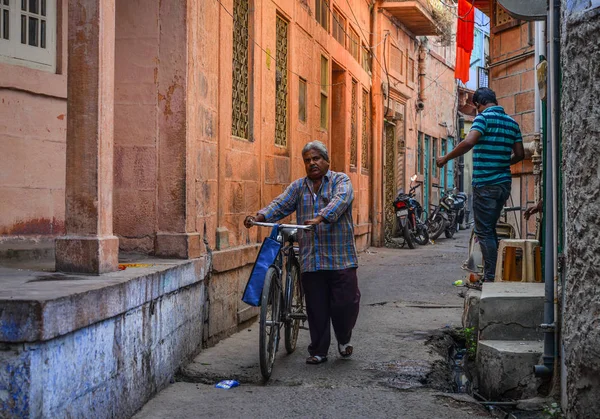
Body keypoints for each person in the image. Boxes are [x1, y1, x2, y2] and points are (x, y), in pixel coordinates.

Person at [244, 140, 361, 365]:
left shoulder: (340, 180)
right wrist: (258, 217)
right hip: (311, 259)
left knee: (345, 304)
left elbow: (341, 200)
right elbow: (280, 204)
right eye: (307, 160)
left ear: (327, 161)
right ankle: (318, 350)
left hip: (341, 258)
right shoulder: (299, 187)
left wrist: (321, 216)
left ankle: (344, 338)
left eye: (316, 158)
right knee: (316, 307)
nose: (312, 163)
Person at [437, 87, 524, 282]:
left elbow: (469, 142)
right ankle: (491, 274)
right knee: (490, 229)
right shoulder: (512, 123)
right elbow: (519, 154)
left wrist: (445, 158)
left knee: (484, 231)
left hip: (486, 184)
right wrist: (501, 161)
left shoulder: (482, 119)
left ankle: (490, 278)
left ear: (478, 104)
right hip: (503, 185)